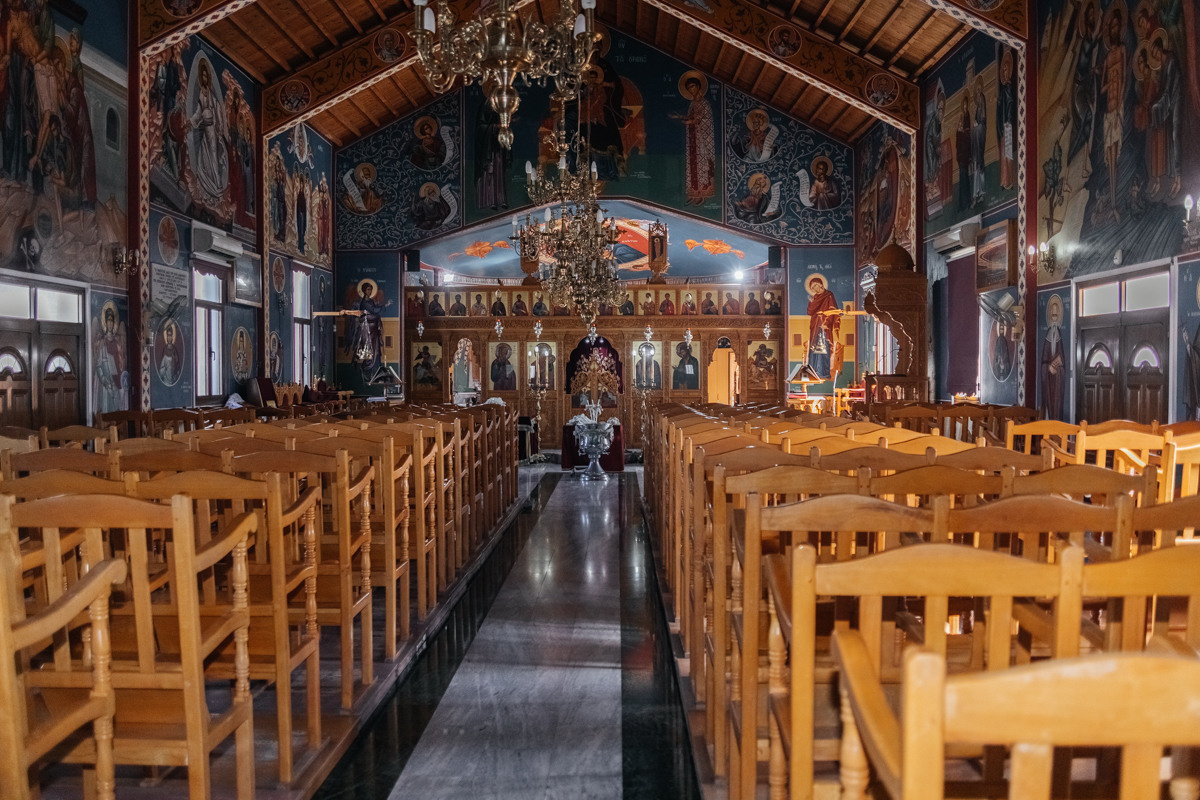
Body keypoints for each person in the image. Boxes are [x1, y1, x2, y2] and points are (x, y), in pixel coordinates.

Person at [188, 59, 229, 203]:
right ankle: (207, 189)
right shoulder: (201, 94)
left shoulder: (211, 95)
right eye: (203, 76)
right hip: (205, 130)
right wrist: (191, 121)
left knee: (213, 156)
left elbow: (217, 111)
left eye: (206, 76)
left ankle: (216, 189)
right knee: (204, 157)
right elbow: (198, 112)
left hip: (212, 129)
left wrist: (219, 128)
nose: (204, 79)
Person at [671, 74, 716, 205]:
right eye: (689, 88)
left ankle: (703, 193)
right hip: (692, 139)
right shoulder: (692, 103)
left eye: (692, 86)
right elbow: (691, 117)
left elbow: (705, 120)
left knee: (702, 166)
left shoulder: (704, 103)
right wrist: (682, 117)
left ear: (698, 86)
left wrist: (691, 121)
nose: (691, 90)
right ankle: (694, 192)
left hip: (702, 140)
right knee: (692, 165)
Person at [806, 274, 839, 380]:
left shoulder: (829, 295)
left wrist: (827, 322)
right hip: (815, 326)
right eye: (812, 288)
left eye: (815, 286)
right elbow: (810, 312)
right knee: (814, 348)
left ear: (820, 284)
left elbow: (833, 311)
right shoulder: (815, 297)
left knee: (823, 348)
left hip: (824, 326)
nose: (815, 289)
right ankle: (813, 370)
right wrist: (811, 303)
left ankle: (823, 372)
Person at [1040, 295, 1066, 420]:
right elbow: (1043, 361)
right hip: (1048, 380)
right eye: (1053, 315)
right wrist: (1048, 368)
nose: (1054, 317)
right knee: (1048, 407)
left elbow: (1063, 362)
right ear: (1050, 316)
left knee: (1056, 407)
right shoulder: (1047, 335)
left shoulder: (1059, 335)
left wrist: (1058, 369)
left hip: (1057, 381)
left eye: (1057, 315)